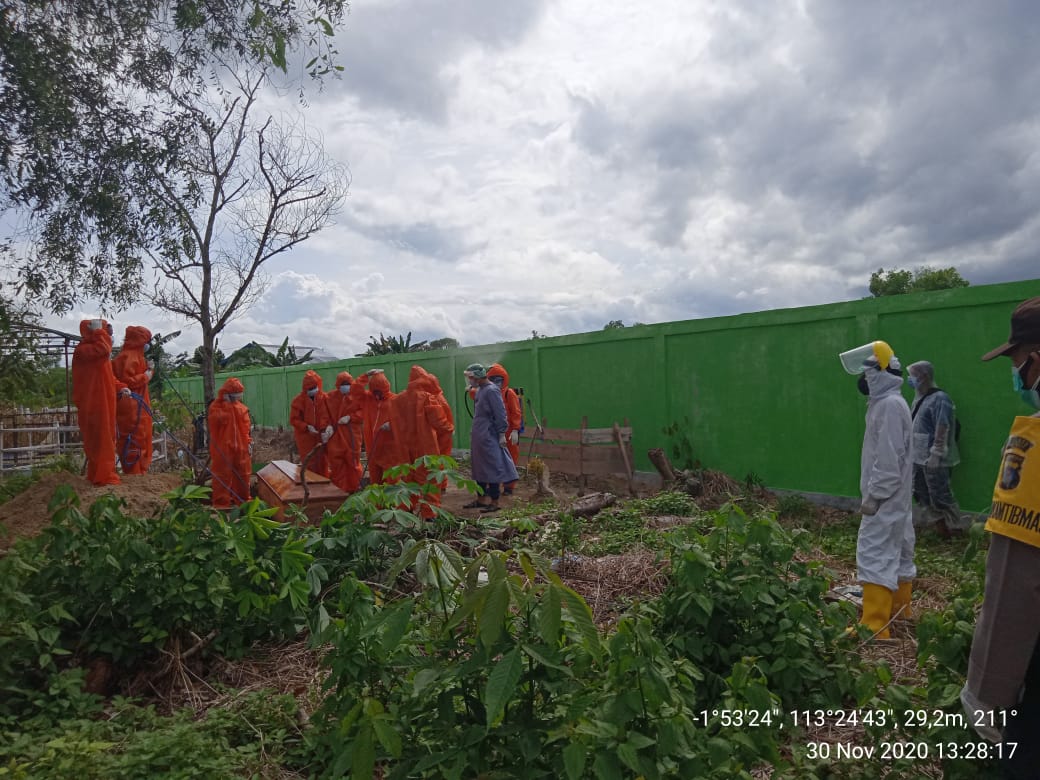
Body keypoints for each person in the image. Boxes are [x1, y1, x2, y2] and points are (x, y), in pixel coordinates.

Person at [961, 296, 1040, 775]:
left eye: (1018, 363)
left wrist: (985, 697)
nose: (1017, 376)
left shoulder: (1032, 445)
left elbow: (1015, 581)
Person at [838, 340, 915, 639]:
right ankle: (901, 610)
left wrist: (875, 496)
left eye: (868, 372)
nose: (864, 379)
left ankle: (874, 624)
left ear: (880, 373)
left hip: (885, 498)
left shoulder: (888, 406)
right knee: (900, 548)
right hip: (896, 499)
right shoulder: (890, 403)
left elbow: (887, 457)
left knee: (874, 550)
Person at [906, 360, 967, 538]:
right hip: (917, 455)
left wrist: (937, 452)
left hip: (933, 457)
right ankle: (941, 529)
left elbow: (943, 425)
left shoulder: (940, 398)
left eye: (913, 376)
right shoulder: (919, 398)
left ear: (924, 376)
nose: (910, 379)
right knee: (921, 492)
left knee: (940, 494)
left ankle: (957, 527)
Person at [392, 366, 455, 515]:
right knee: (430, 479)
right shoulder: (427, 397)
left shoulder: (397, 399)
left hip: (404, 447)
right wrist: (449, 428)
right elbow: (438, 420)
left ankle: (406, 509)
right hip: (425, 446)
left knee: (408, 478)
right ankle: (429, 513)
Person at [71, 319, 128, 486]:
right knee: (100, 440)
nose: (108, 335)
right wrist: (99, 333)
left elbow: (108, 376)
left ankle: (99, 474)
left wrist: (121, 387)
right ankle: (104, 476)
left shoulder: (98, 355)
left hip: (104, 402)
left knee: (106, 438)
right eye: (103, 330)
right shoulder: (84, 351)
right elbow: (103, 350)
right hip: (93, 403)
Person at [463, 363, 518, 513]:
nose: (469, 381)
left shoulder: (492, 391)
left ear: (478, 376)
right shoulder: (481, 390)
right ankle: (481, 499)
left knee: (492, 466)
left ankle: (494, 501)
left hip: (489, 435)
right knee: (479, 467)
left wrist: (502, 434)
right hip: (480, 434)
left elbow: (500, 414)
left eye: (471, 377)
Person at [112, 325, 155, 474]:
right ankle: (134, 472)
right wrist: (146, 376)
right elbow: (127, 381)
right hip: (132, 405)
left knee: (141, 437)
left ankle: (140, 471)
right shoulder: (129, 357)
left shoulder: (135, 356)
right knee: (134, 438)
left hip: (138, 405)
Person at [208, 377, 252, 510]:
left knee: (243, 473)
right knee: (222, 474)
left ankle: (242, 500)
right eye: (234, 396)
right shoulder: (216, 407)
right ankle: (221, 503)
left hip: (241, 447)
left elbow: (245, 427)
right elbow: (216, 421)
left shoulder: (241, 408)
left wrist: (249, 442)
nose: (237, 399)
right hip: (222, 447)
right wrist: (226, 405)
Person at [355, 369, 400, 484]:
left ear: (385, 387)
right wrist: (365, 375)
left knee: (391, 476)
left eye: (379, 391)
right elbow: (354, 391)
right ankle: (378, 502)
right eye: (374, 391)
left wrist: (392, 424)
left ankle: (393, 501)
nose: (377, 394)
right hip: (372, 445)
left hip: (389, 447)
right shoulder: (367, 399)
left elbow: (404, 419)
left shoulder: (395, 400)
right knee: (375, 476)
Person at [325, 371, 364, 493]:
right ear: (338, 385)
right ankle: (339, 492)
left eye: (347, 384)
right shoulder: (330, 397)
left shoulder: (357, 397)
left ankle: (354, 490)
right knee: (336, 465)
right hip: (335, 436)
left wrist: (351, 417)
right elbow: (324, 414)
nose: (345, 386)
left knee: (353, 463)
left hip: (351, 435)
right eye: (343, 384)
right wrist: (327, 426)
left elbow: (364, 412)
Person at [289, 370, 333, 477]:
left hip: (322, 437)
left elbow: (330, 415)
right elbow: (294, 420)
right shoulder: (298, 401)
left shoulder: (325, 398)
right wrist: (306, 427)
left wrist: (328, 428)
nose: (312, 390)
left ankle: (324, 485)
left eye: (314, 387)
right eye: (309, 389)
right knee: (309, 462)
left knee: (323, 461)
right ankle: (311, 486)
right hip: (306, 438)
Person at [487, 363, 522, 494]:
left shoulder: (509, 393)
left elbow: (516, 412)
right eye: (493, 379)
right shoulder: (488, 393)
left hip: (508, 432)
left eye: (499, 379)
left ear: (504, 379)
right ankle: (493, 486)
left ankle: (508, 487)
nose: (496, 382)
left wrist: (515, 430)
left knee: (510, 459)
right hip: (492, 432)